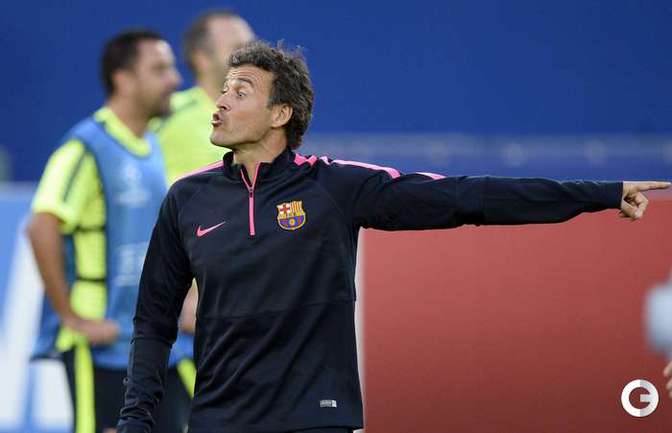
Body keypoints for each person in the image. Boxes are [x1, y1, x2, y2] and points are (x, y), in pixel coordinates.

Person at [116, 41, 671, 433]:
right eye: (223, 89)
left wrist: (598, 193)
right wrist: (136, 419)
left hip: (315, 417)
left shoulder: (334, 187)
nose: (220, 101)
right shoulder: (186, 199)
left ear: (281, 113)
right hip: (218, 419)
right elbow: (154, 320)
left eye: (240, 91)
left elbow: (465, 198)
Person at [27, 30, 193, 433]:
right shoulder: (86, 147)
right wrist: (71, 318)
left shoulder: (151, 145)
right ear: (124, 79)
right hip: (103, 346)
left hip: (156, 343)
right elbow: (41, 225)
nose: (174, 79)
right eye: (159, 69)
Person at [156, 9, 255, 184]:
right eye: (238, 49)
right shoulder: (165, 114)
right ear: (202, 58)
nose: (253, 57)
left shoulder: (264, 118)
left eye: (252, 47)